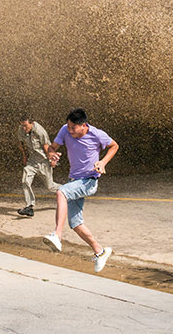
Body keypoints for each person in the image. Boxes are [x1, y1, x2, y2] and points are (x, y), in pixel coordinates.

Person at [42, 107, 119, 273]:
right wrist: (52, 155)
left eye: (73, 128)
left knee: (61, 192)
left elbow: (114, 146)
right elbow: (51, 147)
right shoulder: (65, 130)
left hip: (89, 181)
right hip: (74, 181)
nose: (70, 131)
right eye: (68, 127)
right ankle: (100, 251)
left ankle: (57, 235)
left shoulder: (97, 134)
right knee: (76, 223)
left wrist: (103, 162)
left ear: (84, 125)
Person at [15, 114, 60, 217]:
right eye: (22, 125)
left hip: (43, 161)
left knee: (50, 186)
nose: (24, 128)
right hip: (32, 161)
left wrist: (51, 159)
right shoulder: (21, 129)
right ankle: (29, 206)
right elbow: (20, 143)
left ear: (31, 123)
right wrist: (24, 156)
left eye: (26, 125)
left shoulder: (39, 130)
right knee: (25, 180)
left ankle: (69, 191)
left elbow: (46, 146)